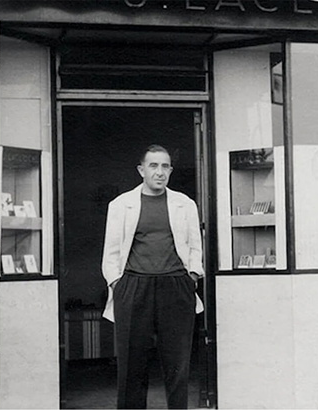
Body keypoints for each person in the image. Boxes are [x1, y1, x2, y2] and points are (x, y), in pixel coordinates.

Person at [101, 144, 205, 409]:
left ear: (170, 170)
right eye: (153, 166)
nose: (160, 172)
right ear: (141, 170)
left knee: (177, 364)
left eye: (165, 166)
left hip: (176, 286)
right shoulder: (121, 204)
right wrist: (118, 283)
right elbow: (111, 252)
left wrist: (191, 275)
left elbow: (195, 246)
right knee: (131, 365)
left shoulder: (185, 204)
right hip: (134, 287)